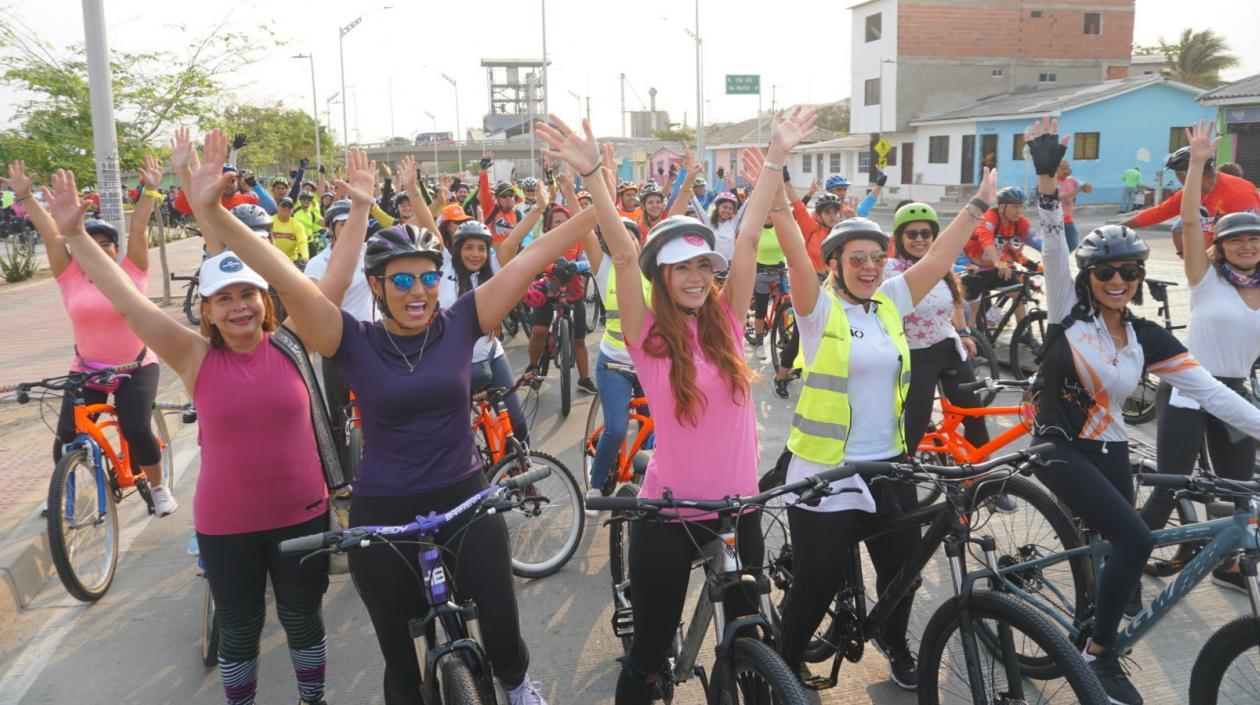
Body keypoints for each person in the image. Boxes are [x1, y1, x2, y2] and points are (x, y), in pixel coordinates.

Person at [198, 125, 599, 705]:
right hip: (383, 511)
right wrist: (213, 209)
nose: (420, 291)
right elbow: (283, 276)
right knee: (401, 665)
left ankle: (515, 685)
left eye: (429, 278)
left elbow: (539, 251)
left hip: (465, 493)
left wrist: (591, 183)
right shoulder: (350, 339)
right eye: (403, 280)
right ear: (376, 285)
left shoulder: (462, 319)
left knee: (504, 628)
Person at [43, 137, 343, 705]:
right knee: (239, 630)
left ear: (266, 300)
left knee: (304, 622)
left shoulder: (294, 342)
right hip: (227, 525)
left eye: (249, 294)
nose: (239, 307)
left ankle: (313, 700)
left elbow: (294, 274)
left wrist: (208, 205)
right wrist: (76, 236)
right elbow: (131, 306)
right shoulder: (195, 356)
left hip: (304, 514)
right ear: (205, 309)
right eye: (223, 298)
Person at [545, 105, 814, 705]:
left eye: (702, 266)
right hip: (669, 518)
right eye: (680, 268)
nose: (695, 276)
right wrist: (593, 178)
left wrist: (774, 159)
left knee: (752, 637)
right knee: (647, 658)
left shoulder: (725, 320)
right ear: (660, 277)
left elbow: (745, 236)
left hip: (739, 510)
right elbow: (619, 253)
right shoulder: (650, 338)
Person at [1021, 117, 1260, 705]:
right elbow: (1054, 242)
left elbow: (1212, 390)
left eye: (1130, 270)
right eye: (1105, 272)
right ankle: (1098, 657)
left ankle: (1093, 618)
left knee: (1111, 548)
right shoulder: (1066, 315)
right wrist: (1046, 179)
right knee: (1132, 539)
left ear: (1140, 275)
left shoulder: (1144, 335)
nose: (1118, 280)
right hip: (1058, 448)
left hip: (1112, 451)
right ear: (1089, 277)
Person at [774, 144, 998, 690]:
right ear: (835, 265)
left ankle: (895, 644)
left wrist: (976, 207)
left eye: (877, 258)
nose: (870, 268)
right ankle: (781, 662)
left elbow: (939, 260)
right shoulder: (818, 308)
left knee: (904, 574)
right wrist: (777, 189)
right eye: (857, 260)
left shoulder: (891, 300)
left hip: (889, 464)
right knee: (816, 582)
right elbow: (793, 252)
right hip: (823, 470)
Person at [7, 158, 176, 518]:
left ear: (116, 250)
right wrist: (25, 197)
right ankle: (62, 494)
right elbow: (54, 234)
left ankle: (159, 487)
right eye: (91, 242)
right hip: (88, 369)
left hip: (136, 366)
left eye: (107, 243)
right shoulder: (69, 276)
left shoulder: (132, 272)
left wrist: (149, 190)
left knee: (134, 427)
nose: (99, 249)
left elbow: (140, 228)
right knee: (66, 438)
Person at [1140, 121, 1260, 596]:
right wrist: (1195, 163)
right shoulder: (1205, 278)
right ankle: (1128, 559)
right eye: (1237, 240)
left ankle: (1228, 562)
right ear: (1221, 247)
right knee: (1170, 484)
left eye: (1254, 239)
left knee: (1236, 489)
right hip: (1191, 387)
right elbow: (1190, 219)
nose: (1247, 246)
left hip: (1233, 391)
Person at [445, 185, 545, 441]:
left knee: (518, 425)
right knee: (457, 436)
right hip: (454, 363)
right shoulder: (444, 269)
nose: (475, 254)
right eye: (468, 247)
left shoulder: (493, 265)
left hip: (491, 355)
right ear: (457, 249)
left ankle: (520, 474)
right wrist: (413, 189)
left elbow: (513, 239)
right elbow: (428, 223)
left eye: (481, 248)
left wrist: (539, 208)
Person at [524, 204, 597, 393]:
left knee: (580, 340)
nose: (561, 224)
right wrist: (550, 268)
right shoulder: (544, 240)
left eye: (565, 221)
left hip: (574, 293)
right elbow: (534, 258)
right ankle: (533, 367)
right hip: (548, 292)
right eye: (557, 221)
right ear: (549, 224)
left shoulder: (579, 240)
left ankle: (584, 378)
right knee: (539, 331)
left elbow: (589, 260)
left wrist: (576, 266)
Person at [1121, 147, 1260, 241]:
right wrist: (1119, 228)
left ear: (1187, 173)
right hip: (1212, 258)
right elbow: (1158, 213)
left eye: (1177, 174)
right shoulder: (1191, 192)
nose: (1177, 179)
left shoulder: (1239, 192)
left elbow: (1247, 238)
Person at [960, 186, 1039, 330]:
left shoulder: (1019, 222)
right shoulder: (989, 217)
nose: (1019, 211)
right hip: (971, 265)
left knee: (1019, 292)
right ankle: (971, 336)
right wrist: (998, 261)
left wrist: (1050, 260)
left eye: (1021, 206)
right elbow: (986, 240)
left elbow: (1035, 240)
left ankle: (1023, 334)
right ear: (1002, 206)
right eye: (1015, 206)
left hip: (995, 267)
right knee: (973, 306)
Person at [1056, 160, 1092, 250]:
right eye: (1063, 169)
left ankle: (1061, 260)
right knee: (1056, 247)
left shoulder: (1072, 180)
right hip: (1054, 221)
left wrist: (1087, 186)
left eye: (1068, 169)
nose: (1066, 171)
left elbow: (1087, 190)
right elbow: (1054, 197)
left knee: (1073, 243)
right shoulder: (1052, 181)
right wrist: (1070, 194)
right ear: (1056, 169)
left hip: (1068, 220)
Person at [271, 197, 311, 266]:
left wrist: (305, 257)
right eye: (283, 205)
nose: (287, 208)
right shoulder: (269, 221)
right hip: (271, 259)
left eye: (290, 207)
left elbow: (302, 242)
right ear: (277, 207)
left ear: (292, 210)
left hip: (291, 261)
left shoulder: (297, 225)